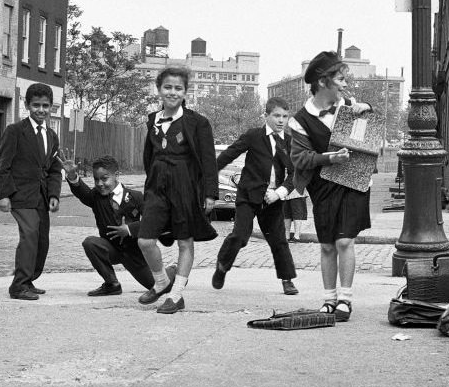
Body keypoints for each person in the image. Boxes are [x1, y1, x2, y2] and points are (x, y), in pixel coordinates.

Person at [288, 51, 373, 322]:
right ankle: (328, 299)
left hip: (353, 182)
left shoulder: (350, 106)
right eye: (340, 79)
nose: (345, 84)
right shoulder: (299, 120)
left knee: (345, 240)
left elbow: (367, 138)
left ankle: (345, 300)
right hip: (323, 186)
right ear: (323, 82)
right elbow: (300, 158)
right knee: (327, 245)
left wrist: (367, 109)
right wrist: (328, 158)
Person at [138, 67, 218, 314]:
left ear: (185, 91)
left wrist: (210, 193)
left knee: (185, 241)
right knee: (145, 240)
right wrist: (152, 180)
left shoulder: (197, 122)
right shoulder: (153, 120)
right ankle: (161, 281)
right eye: (168, 87)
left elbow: (208, 160)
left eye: (178, 88)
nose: (172, 92)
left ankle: (176, 294)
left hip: (185, 186)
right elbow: (148, 156)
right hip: (157, 186)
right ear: (159, 89)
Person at [212, 97, 299, 296]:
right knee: (240, 236)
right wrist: (208, 176)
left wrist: (279, 193)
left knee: (278, 240)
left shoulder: (289, 142)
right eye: (276, 116)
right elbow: (228, 155)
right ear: (266, 116)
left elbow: (296, 173)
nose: (281, 120)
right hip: (248, 196)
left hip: (272, 199)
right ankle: (222, 266)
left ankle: (287, 279)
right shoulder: (254, 136)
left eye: (285, 117)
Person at [63, 154, 175, 296]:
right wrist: (72, 175)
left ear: (116, 175)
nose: (99, 184)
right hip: (111, 249)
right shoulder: (96, 196)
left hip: (134, 254)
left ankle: (173, 270)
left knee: (162, 287)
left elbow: (153, 221)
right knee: (90, 243)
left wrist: (129, 229)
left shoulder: (136, 197)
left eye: (104, 178)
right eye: (96, 179)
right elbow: (81, 191)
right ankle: (112, 284)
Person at [0, 83, 63, 300]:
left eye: (45, 106)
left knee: (42, 239)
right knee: (30, 234)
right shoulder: (15, 131)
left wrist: (53, 194)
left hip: (42, 197)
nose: (41, 110)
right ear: (27, 105)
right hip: (21, 195)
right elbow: (3, 165)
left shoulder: (52, 136)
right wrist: (4, 195)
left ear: (51, 107)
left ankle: (30, 279)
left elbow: (54, 169)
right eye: (36, 105)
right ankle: (18, 285)